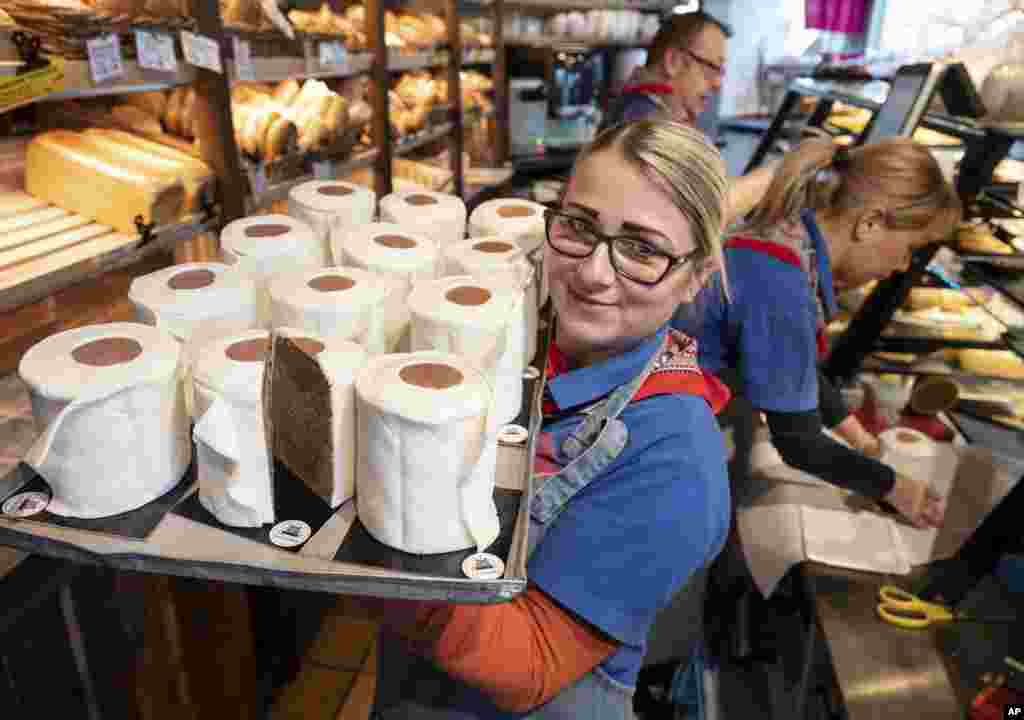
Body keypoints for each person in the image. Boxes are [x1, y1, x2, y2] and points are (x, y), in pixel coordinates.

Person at [365, 120, 733, 718]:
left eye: (642, 249)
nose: (592, 272)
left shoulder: (674, 460)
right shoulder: (529, 342)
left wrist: (378, 539)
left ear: (695, 277)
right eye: (580, 226)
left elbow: (530, 662)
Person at [675, 137, 962, 527]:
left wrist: (858, 437)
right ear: (870, 224)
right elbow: (799, 443)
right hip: (661, 452)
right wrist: (895, 487)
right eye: (910, 247)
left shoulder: (787, 238)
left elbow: (796, 364)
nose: (901, 265)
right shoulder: (780, 284)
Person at [600, 10, 775, 226]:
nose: (717, 83)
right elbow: (703, 212)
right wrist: (780, 173)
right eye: (712, 68)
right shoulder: (644, 121)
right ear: (674, 61)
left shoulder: (646, 106)